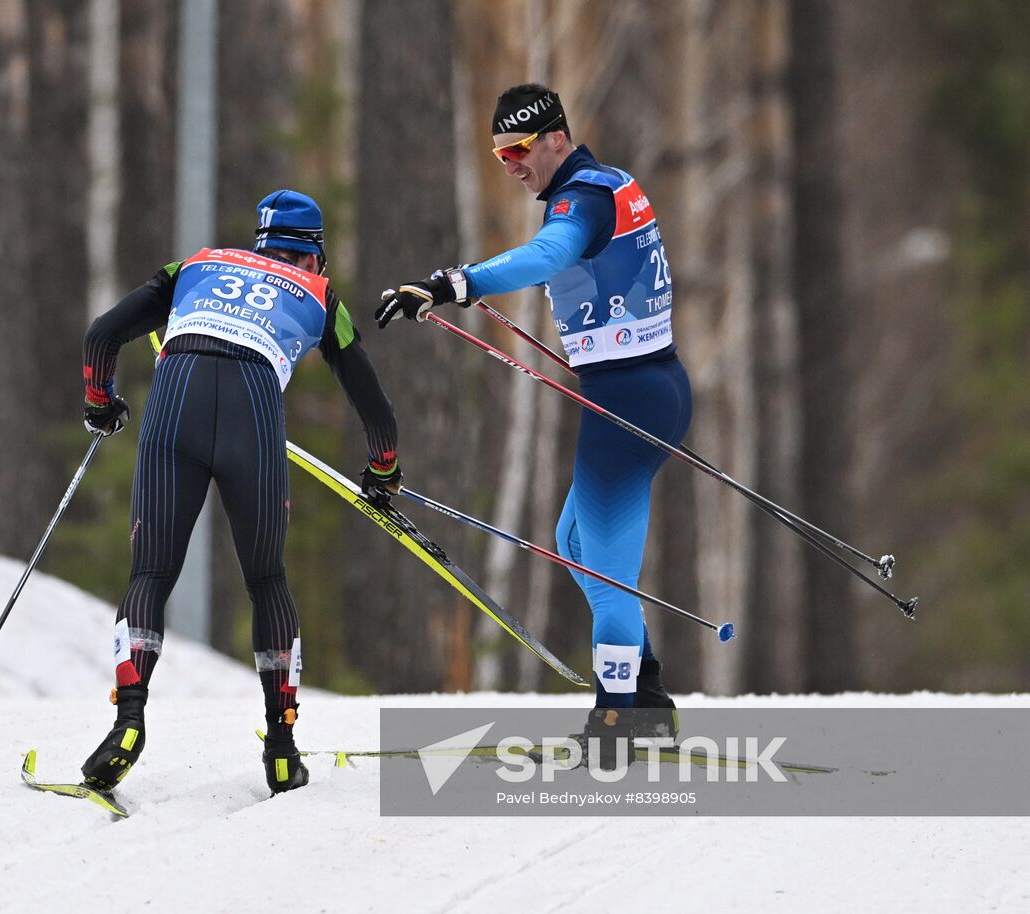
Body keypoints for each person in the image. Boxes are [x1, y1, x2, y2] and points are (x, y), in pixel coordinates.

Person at [375, 84, 691, 763]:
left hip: (631, 399)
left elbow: (547, 256)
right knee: (573, 539)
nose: (511, 165)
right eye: (497, 157)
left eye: (518, 150)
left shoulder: (585, 199)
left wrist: (452, 283)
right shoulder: (608, 184)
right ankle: (647, 692)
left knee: (607, 572)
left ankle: (617, 725)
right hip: (640, 388)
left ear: (555, 137)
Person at [80, 189, 401, 794]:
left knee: (150, 575)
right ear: (312, 254)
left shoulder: (195, 266)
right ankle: (281, 749)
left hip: (176, 397)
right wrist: (383, 471)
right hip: (253, 408)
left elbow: (101, 336)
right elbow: (375, 407)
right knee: (267, 581)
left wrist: (100, 403)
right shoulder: (319, 294)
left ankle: (127, 721)